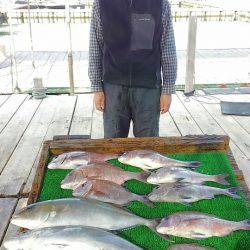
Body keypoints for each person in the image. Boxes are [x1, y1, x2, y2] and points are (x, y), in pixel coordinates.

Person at [88, 0, 177, 138]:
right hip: (113, 87)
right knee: (113, 144)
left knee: (148, 146)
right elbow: (95, 45)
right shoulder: (101, 3)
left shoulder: (160, 3)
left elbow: (167, 46)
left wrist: (168, 89)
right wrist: (96, 87)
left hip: (148, 86)